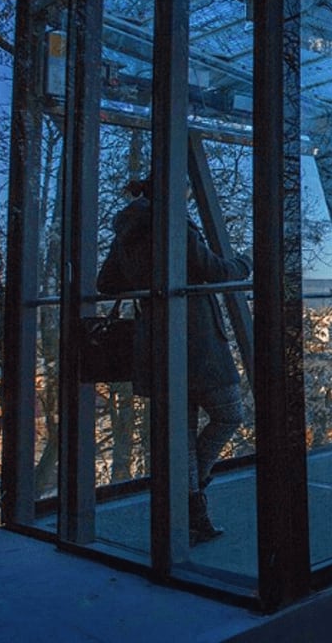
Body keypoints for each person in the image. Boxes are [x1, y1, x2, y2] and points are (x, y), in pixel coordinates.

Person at [97, 177, 252, 545]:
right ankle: (191, 493)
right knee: (230, 413)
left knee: (181, 428)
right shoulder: (173, 222)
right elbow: (213, 270)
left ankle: (189, 505)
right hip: (196, 339)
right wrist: (245, 263)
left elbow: (106, 283)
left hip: (156, 343)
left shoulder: (128, 230)